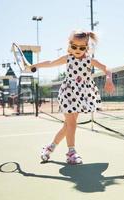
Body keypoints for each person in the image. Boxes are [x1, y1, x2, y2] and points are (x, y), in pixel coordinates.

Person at [27, 30, 115, 164]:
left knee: (68, 126)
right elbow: (50, 63)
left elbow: (106, 68)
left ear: (87, 47)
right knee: (72, 124)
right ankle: (71, 153)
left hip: (82, 95)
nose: (78, 50)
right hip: (68, 93)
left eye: (82, 47)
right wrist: (34, 66)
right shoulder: (68, 58)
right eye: (74, 47)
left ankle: (49, 148)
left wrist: (109, 79)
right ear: (69, 45)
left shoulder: (89, 60)